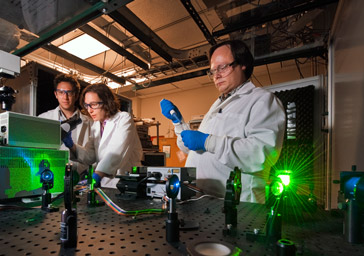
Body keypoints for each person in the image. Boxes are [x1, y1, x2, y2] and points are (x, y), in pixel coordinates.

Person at [160, 40, 286, 203]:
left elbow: (260, 154)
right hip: (201, 198)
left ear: (242, 64)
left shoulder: (262, 100)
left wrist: (207, 142)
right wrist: (178, 122)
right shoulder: (217, 105)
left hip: (238, 205)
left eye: (222, 67)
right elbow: (190, 148)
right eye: (212, 71)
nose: (216, 76)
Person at [62, 83, 142, 188]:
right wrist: (71, 145)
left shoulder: (124, 119)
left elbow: (116, 152)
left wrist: (97, 175)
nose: (90, 110)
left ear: (107, 102)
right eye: (87, 105)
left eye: (93, 104)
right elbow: (90, 156)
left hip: (126, 181)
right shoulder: (97, 125)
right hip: (106, 184)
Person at [38, 73, 92, 177]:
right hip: (53, 176)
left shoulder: (90, 122)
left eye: (69, 92)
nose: (65, 97)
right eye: (61, 92)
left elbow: (93, 154)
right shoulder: (43, 119)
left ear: (76, 95)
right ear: (56, 94)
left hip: (81, 178)